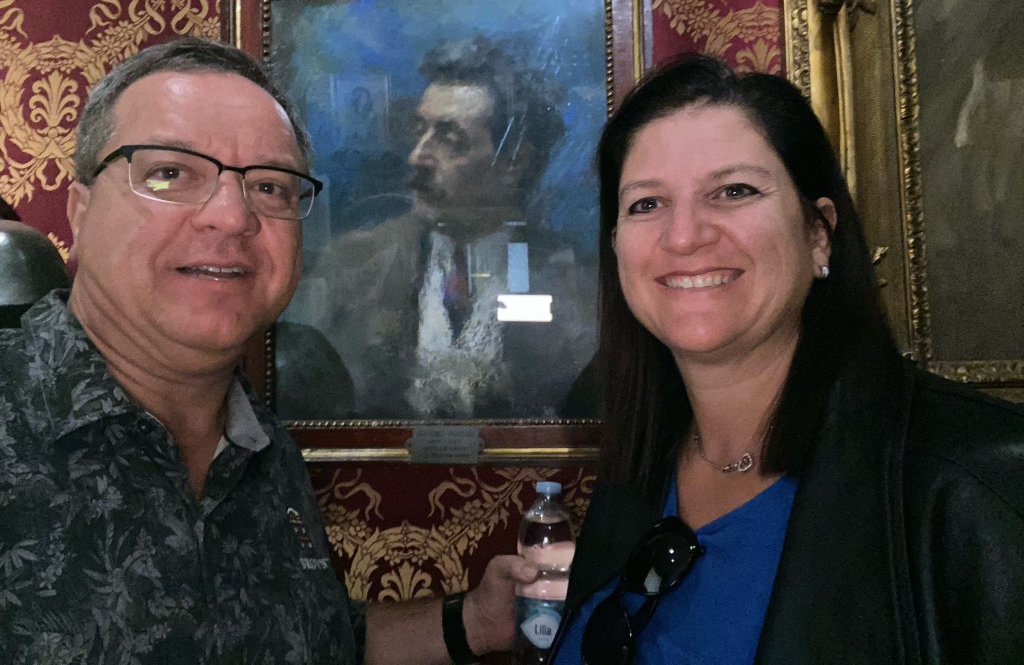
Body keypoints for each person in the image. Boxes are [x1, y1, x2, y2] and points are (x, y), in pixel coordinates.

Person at [0, 37, 534, 664]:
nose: (232, 217)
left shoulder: (264, 448)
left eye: (271, 187)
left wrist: (473, 622)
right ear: (80, 211)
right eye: (170, 173)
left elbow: (309, 641)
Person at [549, 55, 1024, 663]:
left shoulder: (976, 483)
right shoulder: (637, 467)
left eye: (734, 191)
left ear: (819, 233)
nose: (684, 236)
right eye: (646, 203)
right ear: (616, 246)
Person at [308, 36, 597, 419]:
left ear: (515, 160)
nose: (418, 157)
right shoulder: (352, 265)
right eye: (420, 131)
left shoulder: (574, 282)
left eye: (451, 140)